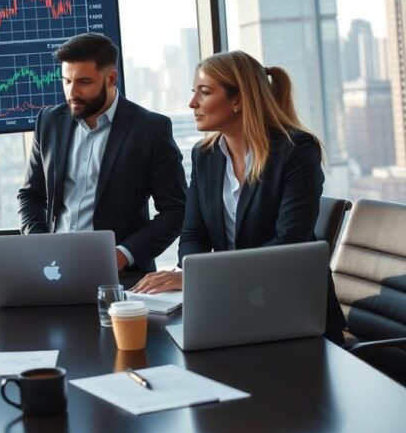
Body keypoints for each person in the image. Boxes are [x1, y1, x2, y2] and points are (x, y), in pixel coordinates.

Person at [131, 50, 346, 340]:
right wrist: (195, 277)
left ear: (238, 99)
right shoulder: (205, 155)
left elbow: (288, 242)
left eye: (204, 93)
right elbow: (193, 233)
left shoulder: (295, 150)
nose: (192, 103)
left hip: (292, 303)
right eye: (194, 93)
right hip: (235, 302)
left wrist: (206, 280)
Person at [17, 33, 187, 274]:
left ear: (111, 78)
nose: (72, 92)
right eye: (66, 81)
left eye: (84, 82)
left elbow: (176, 210)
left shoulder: (150, 129)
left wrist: (123, 254)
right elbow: (30, 196)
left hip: (123, 275)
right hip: (53, 270)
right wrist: (40, 244)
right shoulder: (48, 122)